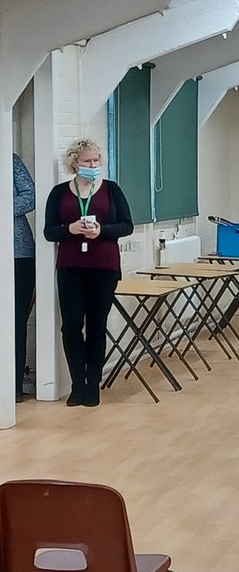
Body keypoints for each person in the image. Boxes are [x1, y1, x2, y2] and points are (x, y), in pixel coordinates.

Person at [43, 139, 134, 406]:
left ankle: (93, 384)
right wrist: (69, 230)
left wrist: (101, 231)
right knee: (71, 326)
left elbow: (126, 225)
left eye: (96, 161)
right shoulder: (59, 193)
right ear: (74, 163)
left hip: (103, 267)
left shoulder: (111, 190)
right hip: (71, 267)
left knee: (97, 325)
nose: (93, 166)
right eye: (87, 161)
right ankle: (76, 384)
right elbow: (49, 232)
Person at [12, 154, 36, 402]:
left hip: (19, 254)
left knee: (17, 321)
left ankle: (14, 384)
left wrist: (3, 206)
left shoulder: (11, 161)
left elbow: (30, 197)